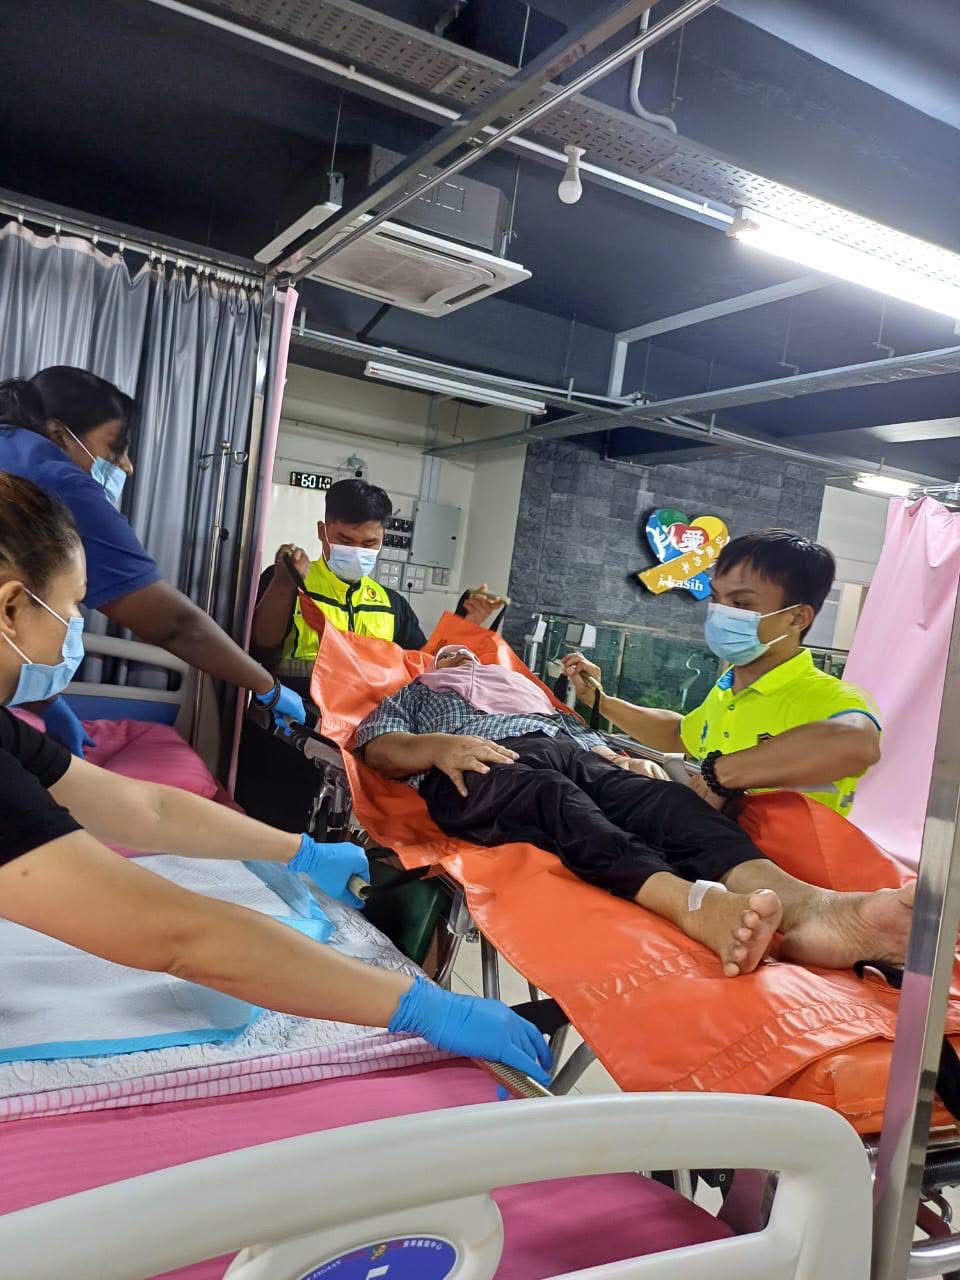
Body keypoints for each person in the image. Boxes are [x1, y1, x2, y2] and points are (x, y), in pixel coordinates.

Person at [0, 472, 551, 1084]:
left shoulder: (389, 605)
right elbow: (175, 935)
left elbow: (148, 809)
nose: (76, 623)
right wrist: (418, 1006)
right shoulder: (291, 582)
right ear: (12, 608)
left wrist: (303, 853)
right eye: (74, 605)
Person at [356, 643, 914, 978]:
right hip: (476, 761)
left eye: (468, 654)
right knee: (553, 799)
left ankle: (814, 908)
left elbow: (584, 733)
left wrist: (621, 758)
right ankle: (691, 904)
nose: (461, 657)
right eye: (447, 655)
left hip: (570, 748)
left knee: (668, 801)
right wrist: (437, 746)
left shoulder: (526, 689)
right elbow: (375, 745)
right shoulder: (422, 691)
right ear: (431, 666)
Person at [0, 369, 306, 755]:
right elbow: (175, 625)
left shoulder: (11, 447)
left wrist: (45, 701)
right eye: (116, 448)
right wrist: (269, 688)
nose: (127, 466)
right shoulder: (60, 483)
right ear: (60, 435)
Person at [562, 530, 881, 819]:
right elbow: (679, 735)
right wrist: (600, 700)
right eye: (716, 598)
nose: (721, 612)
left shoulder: (828, 697)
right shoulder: (727, 689)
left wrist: (724, 771)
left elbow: (856, 743)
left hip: (786, 862)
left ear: (797, 618)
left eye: (741, 602)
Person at [251, 477, 505, 680]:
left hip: (369, 724)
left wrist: (468, 621)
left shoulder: (392, 605)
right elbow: (258, 647)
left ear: (382, 539)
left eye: (369, 543)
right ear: (322, 531)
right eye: (345, 540)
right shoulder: (289, 579)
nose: (357, 550)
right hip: (295, 720)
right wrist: (283, 585)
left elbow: (425, 668)